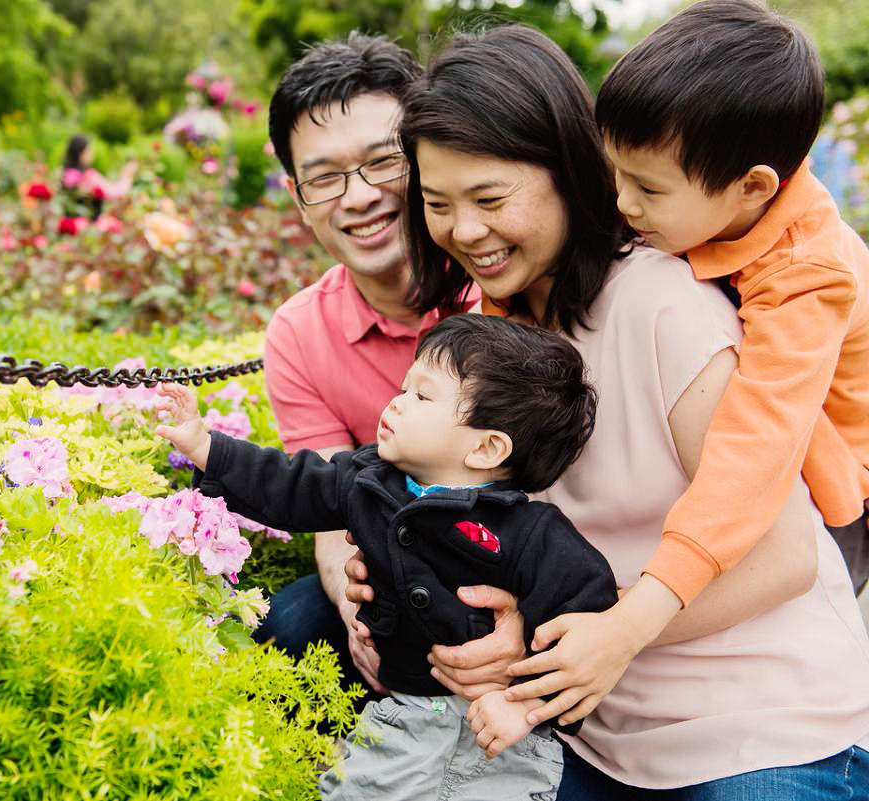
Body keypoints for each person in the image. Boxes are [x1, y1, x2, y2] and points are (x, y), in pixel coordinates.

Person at [344, 23, 869, 797]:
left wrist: (607, 630)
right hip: (599, 735)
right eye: (438, 203)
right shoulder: (490, 334)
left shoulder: (662, 301)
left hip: (764, 727)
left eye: (491, 198)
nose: (464, 231)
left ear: (566, 170)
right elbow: (526, 542)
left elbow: (786, 555)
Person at [154, 313, 617, 801]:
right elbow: (292, 484)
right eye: (403, 388)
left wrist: (526, 705)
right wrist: (205, 448)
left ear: (485, 447)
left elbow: (585, 613)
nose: (395, 403)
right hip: (406, 710)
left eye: (421, 396)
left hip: (496, 730)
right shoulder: (370, 481)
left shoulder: (527, 531)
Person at [593, 0, 869, 601]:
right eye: (617, 173)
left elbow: (758, 445)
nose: (623, 203)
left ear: (753, 187)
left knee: (799, 614)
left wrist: (664, 583)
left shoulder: (808, 275)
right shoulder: (705, 198)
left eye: (647, 188)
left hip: (833, 489)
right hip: (768, 457)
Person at [257, 33, 489, 699]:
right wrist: (353, 604)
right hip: (403, 571)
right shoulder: (300, 334)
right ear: (300, 200)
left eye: (383, 163)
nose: (358, 197)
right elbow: (331, 512)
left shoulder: (495, 276)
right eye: (325, 177)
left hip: (528, 551)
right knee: (296, 619)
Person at [61, 134, 138, 219]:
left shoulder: (66, 174)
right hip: (90, 226)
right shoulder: (87, 176)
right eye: (89, 150)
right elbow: (114, 192)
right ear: (81, 153)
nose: (92, 153)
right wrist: (127, 176)